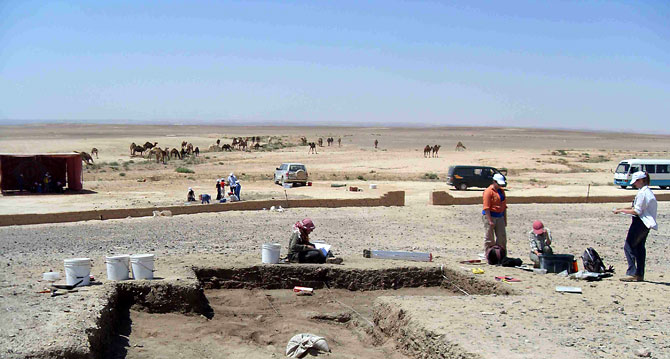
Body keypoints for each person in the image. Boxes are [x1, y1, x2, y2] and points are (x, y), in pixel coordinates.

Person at [613, 171, 658, 282]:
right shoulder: (646, 192)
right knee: (639, 248)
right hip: (646, 223)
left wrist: (621, 210)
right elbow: (636, 207)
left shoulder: (643, 193)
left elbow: (637, 211)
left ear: (642, 180)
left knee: (629, 246)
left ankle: (632, 273)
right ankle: (639, 274)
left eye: (636, 181)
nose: (635, 184)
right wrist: (622, 209)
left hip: (640, 222)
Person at [482, 173, 507, 252]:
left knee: (501, 237)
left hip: (500, 216)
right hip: (490, 216)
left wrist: (505, 219)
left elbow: (504, 206)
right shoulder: (488, 191)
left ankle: (501, 254)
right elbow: (486, 207)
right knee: (489, 238)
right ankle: (489, 254)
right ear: (494, 182)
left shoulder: (501, 191)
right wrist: (490, 221)